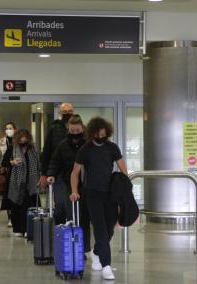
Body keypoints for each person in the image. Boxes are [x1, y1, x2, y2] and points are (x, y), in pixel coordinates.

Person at [70, 117, 128, 281]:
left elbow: (123, 167)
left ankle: (96, 253)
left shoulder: (112, 148)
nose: (100, 136)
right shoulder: (85, 149)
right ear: (91, 133)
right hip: (92, 193)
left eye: (103, 134)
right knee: (100, 229)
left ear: (107, 133)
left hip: (110, 193)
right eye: (97, 134)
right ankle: (106, 266)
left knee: (109, 228)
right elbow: (75, 172)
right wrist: (74, 190)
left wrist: (125, 189)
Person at [46, 114, 91, 254]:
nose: (75, 134)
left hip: (87, 184)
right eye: (72, 132)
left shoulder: (88, 144)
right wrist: (51, 175)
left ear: (82, 129)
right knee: (71, 213)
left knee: (85, 216)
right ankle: (72, 246)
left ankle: (84, 248)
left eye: (78, 131)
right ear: (68, 130)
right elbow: (55, 162)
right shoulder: (63, 145)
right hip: (68, 183)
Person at [1, 129, 40, 237]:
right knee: (16, 205)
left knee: (28, 206)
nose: (23, 139)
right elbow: (3, 162)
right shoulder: (12, 148)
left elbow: (38, 164)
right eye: (21, 137)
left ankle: (28, 228)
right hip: (16, 183)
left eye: (25, 137)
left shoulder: (32, 149)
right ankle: (17, 229)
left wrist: (40, 178)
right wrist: (12, 162)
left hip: (30, 183)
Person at [40, 103, 74, 223]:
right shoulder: (54, 129)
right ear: (60, 113)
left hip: (75, 173)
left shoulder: (80, 128)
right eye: (64, 111)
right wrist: (44, 174)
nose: (67, 113)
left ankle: (73, 228)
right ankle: (59, 230)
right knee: (60, 204)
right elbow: (46, 152)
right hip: (58, 174)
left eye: (69, 111)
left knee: (73, 204)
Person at [0, 122, 17, 228]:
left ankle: (16, 216)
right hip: (6, 170)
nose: (8, 130)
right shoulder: (2, 141)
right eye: (6, 128)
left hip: (16, 170)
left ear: (15, 129)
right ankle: (10, 217)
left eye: (10, 128)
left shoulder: (18, 141)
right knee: (8, 195)